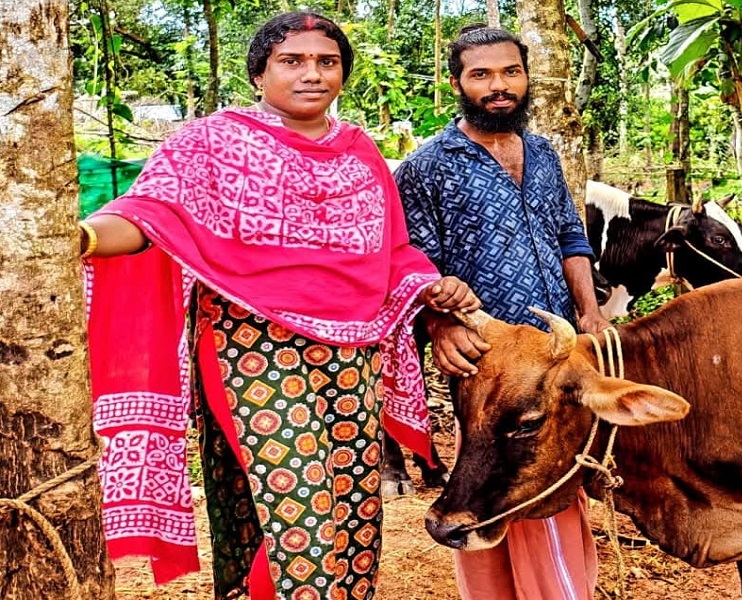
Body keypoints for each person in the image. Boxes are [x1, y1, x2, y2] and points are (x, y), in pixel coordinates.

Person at [80, 11, 479, 599]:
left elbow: (392, 250)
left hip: (354, 355)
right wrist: (79, 237)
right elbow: (147, 218)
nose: (313, 73)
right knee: (303, 519)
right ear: (259, 73)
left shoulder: (360, 151)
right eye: (292, 61)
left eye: (328, 61)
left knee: (351, 515)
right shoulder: (211, 142)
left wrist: (434, 285)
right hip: (254, 345)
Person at [394, 24, 608, 600]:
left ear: (526, 76)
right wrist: (439, 325)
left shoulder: (540, 151)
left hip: (558, 352)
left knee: (550, 471)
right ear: (458, 83)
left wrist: (590, 313)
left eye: (510, 72)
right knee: (488, 473)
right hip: (485, 357)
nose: (499, 87)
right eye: (481, 75)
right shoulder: (426, 166)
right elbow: (413, 262)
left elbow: (570, 236)